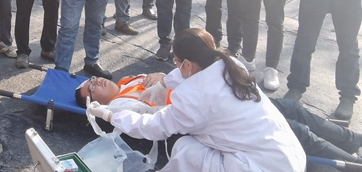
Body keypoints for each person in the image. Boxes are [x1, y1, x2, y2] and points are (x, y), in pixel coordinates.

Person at [86, 28, 306, 171]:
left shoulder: (194, 97)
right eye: (91, 86)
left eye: (176, 61)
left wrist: (111, 116)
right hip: (289, 153)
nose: (96, 82)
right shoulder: (230, 64)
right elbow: (193, 75)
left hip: (258, 166)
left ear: (187, 64)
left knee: (186, 147)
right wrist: (163, 83)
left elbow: (153, 127)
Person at [77, 72, 362, 165]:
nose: (95, 81)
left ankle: (354, 140)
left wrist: (162, 76)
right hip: (204, 114)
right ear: (94, 102)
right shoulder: (120, 105)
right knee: (295, 130)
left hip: (216, 97)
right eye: (90, 88)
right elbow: (154, 120)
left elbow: (177, 75)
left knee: (291, 107)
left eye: (92, 79)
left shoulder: (127, 81)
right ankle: (352, 164)